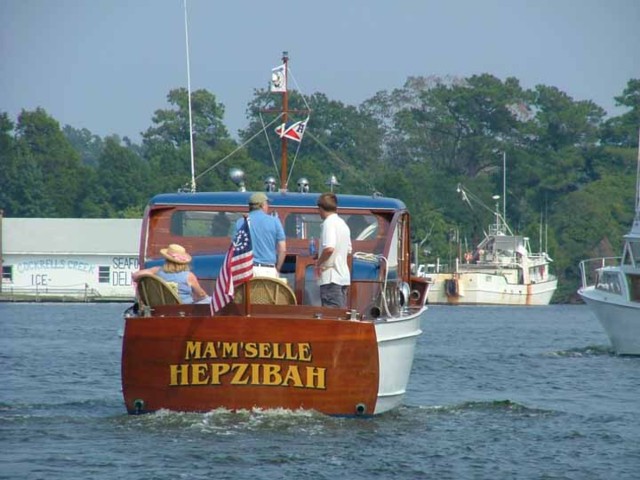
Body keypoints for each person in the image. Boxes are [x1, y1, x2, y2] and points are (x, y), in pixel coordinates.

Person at [132, 243, 209, 304]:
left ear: (167, 259)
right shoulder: (189, 276)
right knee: (209, 300)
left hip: (158, 308)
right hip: (183, 310)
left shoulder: (156, 270)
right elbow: (201, 294)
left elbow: (135, 275)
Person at [234, 192, 286, 279]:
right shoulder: (275, 222)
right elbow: (282, 249)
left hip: (246, 270)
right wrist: (277, 269)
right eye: (267, 204)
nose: (268, 206)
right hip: (268, 271)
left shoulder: (240, 222)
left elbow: (235, 248)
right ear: (262, 205)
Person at [315, 192, 352, 307]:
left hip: (331, 278)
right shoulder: (342, 224)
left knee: (331, 313)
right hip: (342, 276)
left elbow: (329, 248)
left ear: (321, 208)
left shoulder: (328, 223)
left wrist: (318, 263)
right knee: (340, 312)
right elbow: (348, 250)